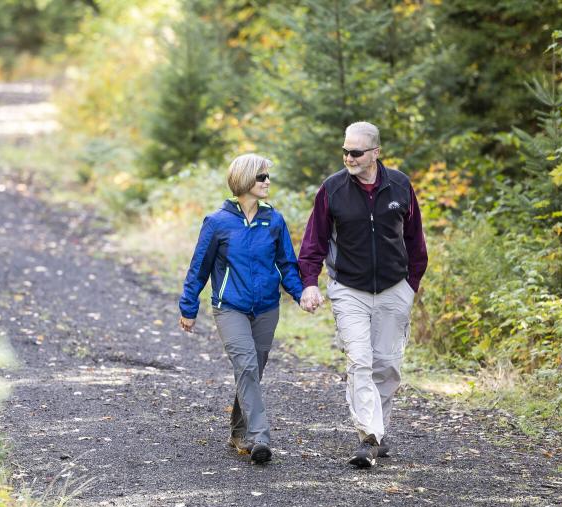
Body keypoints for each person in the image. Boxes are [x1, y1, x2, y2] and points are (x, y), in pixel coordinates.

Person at [298, 122, 427, 469]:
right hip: (348, 289)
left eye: (355, 152)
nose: (348, 158)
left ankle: (378, 431)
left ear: (375, 153)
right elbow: (314, 242)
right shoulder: (332, 189)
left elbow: (415, 241)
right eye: (345, 151)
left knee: (387, 365)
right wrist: (309, 281)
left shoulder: (400, 185)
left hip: (394, 288)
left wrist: (410, 285)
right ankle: (368, 435)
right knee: (360, 361)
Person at [179, 154, 304, 465]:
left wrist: (301, 294)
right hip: (229, 308)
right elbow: (199, 268)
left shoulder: (273, 220)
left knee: (253, 371)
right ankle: (260, 436)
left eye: (267, 177)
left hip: (266, 308)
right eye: (262, 177)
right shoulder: (218, 222)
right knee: (246, 366)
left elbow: (287, 264)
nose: (267, 182)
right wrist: (189, 306)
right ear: (246, 180)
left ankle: (238, 431)